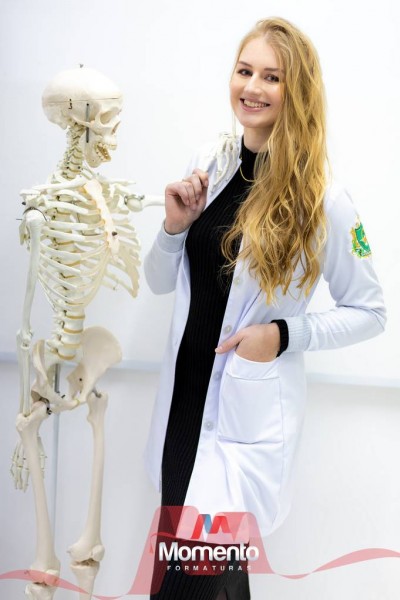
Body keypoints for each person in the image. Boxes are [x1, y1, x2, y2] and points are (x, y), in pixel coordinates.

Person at [143, 16, 386, 599]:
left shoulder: (324, 199)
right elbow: (157, 281)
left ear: (296, 91)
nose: (252, 87)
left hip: (241, 420)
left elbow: (370, 311)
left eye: (271, 77)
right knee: (198, 584)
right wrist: (174, 227)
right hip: (183, 409)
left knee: (195, 586)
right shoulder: (211, 163)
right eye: (244, 70)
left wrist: (281, 334)